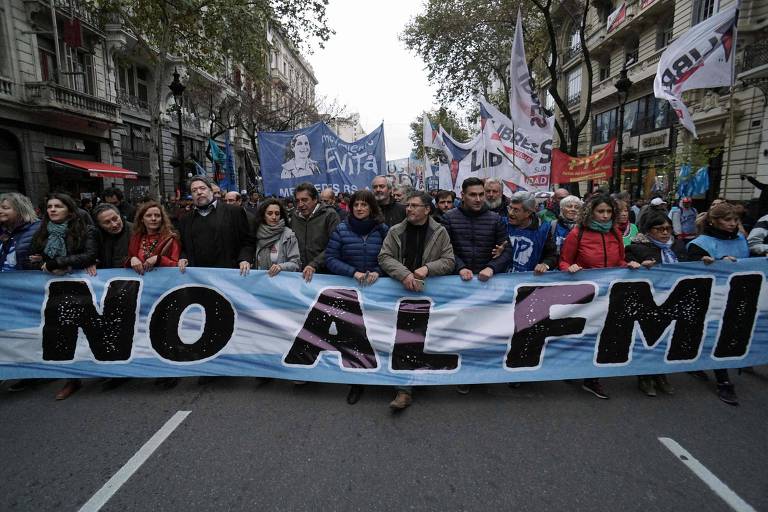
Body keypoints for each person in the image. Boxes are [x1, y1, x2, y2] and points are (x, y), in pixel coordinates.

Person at [379, 191, 455, 410]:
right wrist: (405, 274)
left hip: (428, 295)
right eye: (407, 205)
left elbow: (449, 261)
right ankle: (404, 390)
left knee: (423, 339)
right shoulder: (396, 231)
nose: (409, 209)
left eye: (414, 205)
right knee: (404, 339)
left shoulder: (439, 232)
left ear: (427, 209)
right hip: (399, 293)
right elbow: (384, 257)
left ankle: (421, 378)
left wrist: (427, 269)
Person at [442, 177, 511, 394]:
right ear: (462, 195)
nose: (479, 199)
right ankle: (463, 373)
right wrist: (459, 267)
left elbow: (506, 250)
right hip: (458, 284)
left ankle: (483, 372)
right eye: (473, 194)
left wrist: (492, 266)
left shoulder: (496, 220)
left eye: (482, 194)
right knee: (461, 330)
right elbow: (444, 249)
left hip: (485, 284)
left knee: (485, 331)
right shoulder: (449, 218)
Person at [28, 192, 99, 400]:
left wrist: (59, 263)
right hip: (54, 289)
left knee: (89, 331)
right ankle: (71, 378)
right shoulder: (42, 233)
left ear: (69, 209)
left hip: (80, 289)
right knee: (61, 332)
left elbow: (89, 255)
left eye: (57, 206)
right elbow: (32, 257)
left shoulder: (86, 230)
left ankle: (102, 368)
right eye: (49, 206)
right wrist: (41, 263)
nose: (52, 210)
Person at [558, 194, 628, 400]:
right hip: (584, 294)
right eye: (601, 211)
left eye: (609, 211)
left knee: (603, 334)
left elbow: (620, 261)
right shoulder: (577, 233)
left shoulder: (615, 233)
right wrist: (569, 267)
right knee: (582, 333)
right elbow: (563, 261)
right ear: (591, 212)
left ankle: (592, 378)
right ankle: (574, 367)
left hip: (609, 295)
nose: (605, 216)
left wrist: (630, 265)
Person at [325, 189, 388, 405]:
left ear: (371, 207)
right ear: (350, 208)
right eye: (356, 205)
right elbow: (331, 258)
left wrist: (379, 270)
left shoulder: (382, 230)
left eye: (364, 205)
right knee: (354, 338)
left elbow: (392, 256)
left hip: (378, 292)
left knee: (379, 335)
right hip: (351, 292)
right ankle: (356, 381)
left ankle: (384, 376)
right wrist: (353, 272)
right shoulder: (341, 229)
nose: (360, 209)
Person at [686, 203, 749, 406]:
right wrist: (715, 262)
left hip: (737, 295)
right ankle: (723, 381)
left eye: (735, 220)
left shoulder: (741, 240)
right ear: (714, 221)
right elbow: (689, 270)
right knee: (716, 333)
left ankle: (697, 361)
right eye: (727, 220)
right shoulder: (700, 244)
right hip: (710, 297)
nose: (732, 224)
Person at [625, 211, 688, 397]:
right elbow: (624, 265)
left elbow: (691, 266)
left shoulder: (678, 246)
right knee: (647, 338)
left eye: (668, 228)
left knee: (667, 338)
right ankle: (644, 376)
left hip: (674, 298)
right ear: (648, 230)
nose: (665, 233)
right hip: (648, 301)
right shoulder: (636, 247)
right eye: (660, 229)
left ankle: (661, 374)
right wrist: (635, 264)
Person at [178, 176, 254, 275]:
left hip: (229, 275)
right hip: (198, 277)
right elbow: (184, 247)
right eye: (194, 190)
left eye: (202, 188)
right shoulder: (185, 219)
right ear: (191, 195)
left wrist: (244, 259)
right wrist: (183, 258)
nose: (199, 192)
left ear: (210, 190)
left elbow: (247, 240)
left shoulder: (234, 212)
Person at [289, 182, 340, 282]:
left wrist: (314, 264)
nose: (300, 204)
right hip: (301, 275)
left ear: (315, 199)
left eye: (304, 200)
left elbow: (334, 246)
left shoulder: (330, 215)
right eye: (297, 201)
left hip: (325, 275)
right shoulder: (294, 217)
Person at [503, 191, 556, 274]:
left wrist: (545, 264)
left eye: (516, 210)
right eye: (510, 208)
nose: (510, 213)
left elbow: (552, 255)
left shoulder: (543, 230)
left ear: (528, 212)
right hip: (502, 281)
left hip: (529, 282)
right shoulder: (502, 224)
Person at [127, 201, 181, 274]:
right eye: (148, 215)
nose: (153, 219)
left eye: (157, 215)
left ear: (162, 219)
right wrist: (131, 259)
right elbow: (127, 260)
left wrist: (159, 259)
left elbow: (176, 265)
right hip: (140, 282)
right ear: (142, 219)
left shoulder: (170, 238)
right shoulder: (136, 238)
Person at [253, 198, 301, 276]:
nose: (274, 217)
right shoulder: (257, 233)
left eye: (277, 213)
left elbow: (296, 264)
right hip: (261, 283)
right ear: (263, 216)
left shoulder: (289, 235)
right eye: (270, 213)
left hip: (282, 284)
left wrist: (281, 267)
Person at [0, 192, 40, 272]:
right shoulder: (4, 231)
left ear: (21, 209)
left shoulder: (39, 228)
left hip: (26, 281)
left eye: (5, 208)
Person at [92, 203, 132, 269]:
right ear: (99, 225)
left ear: (119, 215)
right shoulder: (96, 235)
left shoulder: (136, 231)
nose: (114, 225)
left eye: (115, 219)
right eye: (107, 222)